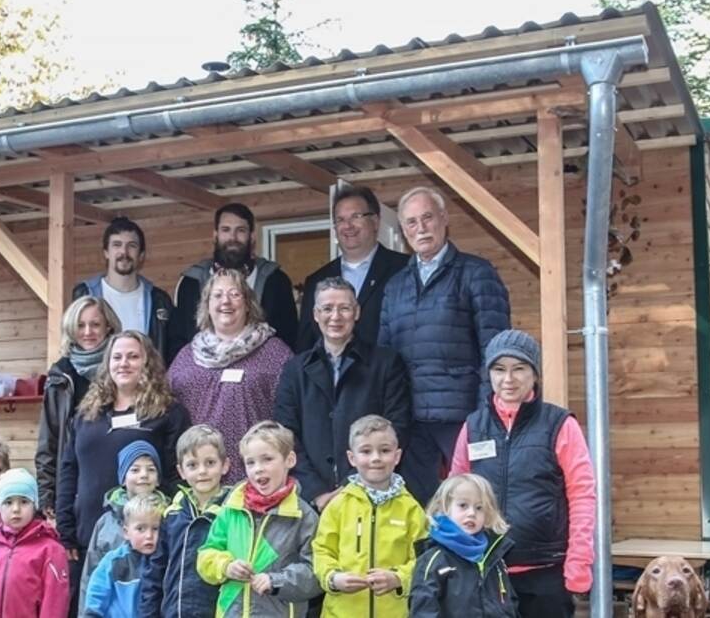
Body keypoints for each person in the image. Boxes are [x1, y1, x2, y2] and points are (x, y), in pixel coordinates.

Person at [378, 186, 511, 504]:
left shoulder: (476, 273)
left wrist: (484, 414)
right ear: (403, 231)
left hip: (463, 416)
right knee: (419, 508)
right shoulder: (395, 286)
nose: (421, 228)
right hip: (410, 421)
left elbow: (495, 353)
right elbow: (384, 360)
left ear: (444, 219)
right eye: (411, 222)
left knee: (474, 500)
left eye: (427, 218)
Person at [449, 329, 595, 618]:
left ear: (535, 374)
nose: (508, 379)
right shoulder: (473, 426)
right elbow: (454, 495)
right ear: (489, 374)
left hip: (545, 574)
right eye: (499, 369)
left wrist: (579, 563)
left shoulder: (560, 424)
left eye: (519, 369)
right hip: (486, 569)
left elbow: (582, 495)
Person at [57, 331, 191, 616]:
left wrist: (159, 525)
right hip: (90, 535)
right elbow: (68, 469)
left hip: (144, 539)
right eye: (117, 357)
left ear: (148, 363)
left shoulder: (167, 412)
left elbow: (177, 476)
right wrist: (65, 529)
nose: (124, 363)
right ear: (107, 364)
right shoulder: (87, 413)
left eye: (133, 356)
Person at [275, 277, 411, 511]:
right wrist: (316, 493)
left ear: (356, 312)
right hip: (312, 501)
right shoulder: (294, 369)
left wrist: (353, 485)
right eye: (327, 309)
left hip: (372, 492)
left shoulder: (386, 364)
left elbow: (397, 426)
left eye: (344, 308)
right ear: (316, 314)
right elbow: (286, 434)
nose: (335, 317)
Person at [168, 269, 292, 482]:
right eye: (217, 295)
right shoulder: (186, 355)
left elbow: (291, 415)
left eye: (234, 294)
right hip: (201, 479)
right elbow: (167, 411)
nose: (226, 301)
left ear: (248, 303)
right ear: (207, 305)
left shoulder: (275, 352)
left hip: (256, 478)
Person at [197, 421, 321, 618]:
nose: (258, 469)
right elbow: (205, 556)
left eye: (267, 459)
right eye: (250, 462)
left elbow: (317, 572)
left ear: (289, 460)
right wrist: (226, 566)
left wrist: (277, 581)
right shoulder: (231, 508)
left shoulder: (303, 516)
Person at [312, 415, 426, 618]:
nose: (376, 458)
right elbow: (321, 551)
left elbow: (423, 560)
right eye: (366, 451)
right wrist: (333, 578)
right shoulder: (338, 505)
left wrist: (399, 578)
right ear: (351, 458)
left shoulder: (411, 509)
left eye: (384, 450)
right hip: (340, 612)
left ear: (397, 456)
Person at [37, 296, 121, 517]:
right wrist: (47, 494)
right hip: (74, 486)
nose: (88, 332)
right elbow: (49, 440)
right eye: (80, 325)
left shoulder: (122, 369)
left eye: (95, 324)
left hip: (119, 482)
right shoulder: (60, 377)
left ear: (108, 326)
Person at [296, 186, 408, 351]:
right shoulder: (316, 281)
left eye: (356, 216)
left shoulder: (404, 269)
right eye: (340, 220)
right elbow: (305, 347)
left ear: (375, 221)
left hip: (388, 375)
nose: (348, 226)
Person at [174, 202, 299, 348]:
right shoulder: (191, 283)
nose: (232, 237)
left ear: (252, 236)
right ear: (215, 235)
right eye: (225, 230)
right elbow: (180, 341)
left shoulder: (276, 281)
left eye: (240, 230)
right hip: (203, 368)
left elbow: (289, 338)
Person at [140, 425, 233, 618]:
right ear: (181, 471)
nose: (202, 471)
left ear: (225, 465)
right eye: (192, 465)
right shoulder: (172, 514)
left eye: (210, 463)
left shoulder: (234, 512)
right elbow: (155, 571)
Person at [72, 216, 183, 364]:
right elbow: (70, 344)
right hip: (96, 384)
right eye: (117, 245)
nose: (124, 252)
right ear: (106, 252)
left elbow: (173, 353)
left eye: (132, 246)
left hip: (147, 384)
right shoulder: (84, 294)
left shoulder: (159, 300)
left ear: (141, 255)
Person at [409, 474, 517, 617]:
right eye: (463, 505)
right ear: (444, 508)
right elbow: (423, 609)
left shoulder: (494, 557)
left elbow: (509, 605)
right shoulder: (434, 559)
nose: (471, 513)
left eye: (479, 508)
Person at [0, 468, 70, 618]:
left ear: (34, 504)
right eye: (8, 502)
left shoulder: (50, 550)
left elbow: (55, 602)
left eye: (24, 502)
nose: (16, 509)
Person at [79, 441, 168, 595]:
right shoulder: (106, 523)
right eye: (135, 470)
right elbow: (90, 575)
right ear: (123, 478)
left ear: (158, 479)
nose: (144, 475)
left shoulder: (169, 517)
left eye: (151, 469)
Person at [83, 494, 165, 618]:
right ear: (126, 532)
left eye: (155, 528)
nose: (149, 535)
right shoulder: (113, 561)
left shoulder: (166, 562)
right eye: (141, 529)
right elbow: (96, 596)